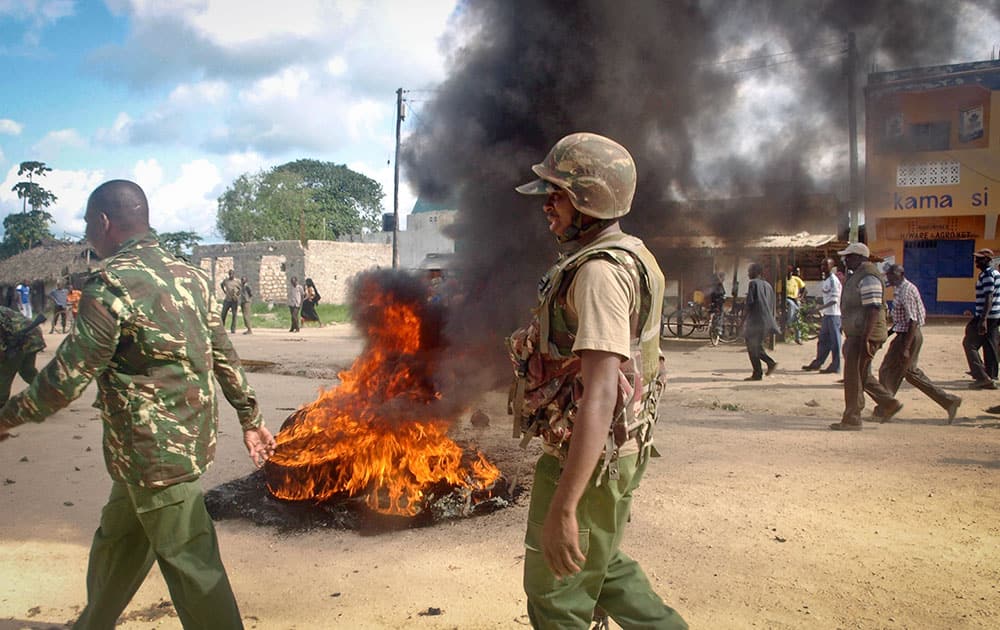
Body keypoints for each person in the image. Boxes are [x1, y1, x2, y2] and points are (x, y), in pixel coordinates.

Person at [0, 180, 276, 629]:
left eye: (89, 223)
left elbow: (66, 378)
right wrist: (250, 417)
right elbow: (222, 351)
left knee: (193, 566)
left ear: (104, 222)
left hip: (154, 454)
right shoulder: (190, 275)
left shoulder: (110, 285)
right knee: (119, 541)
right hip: (167, 446)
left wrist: (6, 417)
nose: (88, 233)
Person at [508, 133, 687, 629]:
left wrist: (565, 504)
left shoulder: (599, 275)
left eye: (558, 194)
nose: (547, 205)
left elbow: (602, 392)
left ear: (591, 200)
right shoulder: (633, 252)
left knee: (554, 595)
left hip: (590, 459)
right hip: (618, 452)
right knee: (600, 566)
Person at [878, 264, 962, 423]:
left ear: (901, 274)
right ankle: (886, 406)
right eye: (888, 275)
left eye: (892, 275)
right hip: (903, 334)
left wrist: (906, 348)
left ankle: (886, 407)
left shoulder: (907, 290)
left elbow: (913, 320)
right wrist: (888, 334)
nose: (889, 278)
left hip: (909, 337)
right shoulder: (898, 289)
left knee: (896, 371)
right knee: (898, 371)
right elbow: (901, 320)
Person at [830, 242, 900, 431]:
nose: (846, 260)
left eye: (849, 256)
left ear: (860, 257)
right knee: (862, 374)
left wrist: (865, 339)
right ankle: (889, 403)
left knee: (853, 375)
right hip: (859, 333)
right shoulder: (859, 275)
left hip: (864, 335)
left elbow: (873, 309)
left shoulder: (868, 276)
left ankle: (852, 418)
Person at [962, 248, 1000, 389]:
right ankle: (990, 375)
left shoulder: (987, 275)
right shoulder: (994, 273)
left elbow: (989, 298)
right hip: (993, 315)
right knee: (990, 345)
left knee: (969, 344)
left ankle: (981, 376)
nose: (976, 261)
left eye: (980, 259)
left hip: (987, 316)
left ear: (988, 260)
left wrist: (982, 319)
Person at [802, 258, 842, 374]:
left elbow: (834, 300)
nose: (823, 267)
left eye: (825, 265)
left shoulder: (834, 280)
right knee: (823, 340)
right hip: (827, 314)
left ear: (831, 266)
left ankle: (836, 366)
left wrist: (818, 309)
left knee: (835, 342)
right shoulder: (826, 280)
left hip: (834, 314)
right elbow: (826, 297)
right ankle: (817, 363)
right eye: (822, 265)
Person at [0, 305, 45, 406]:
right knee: (27, 370)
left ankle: (1, 402)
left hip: (24, 339)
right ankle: (48, 393)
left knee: (5, 372)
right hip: (33, 336)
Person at [743, 262, 780, 381]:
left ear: (756, 272)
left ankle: (766, 366)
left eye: (750, 271)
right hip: (767, 321)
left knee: (752, 346)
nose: (748, 273)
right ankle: (760, 371)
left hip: (756, 321)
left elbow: (750, 303)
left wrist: (742, 319)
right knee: (757, 345)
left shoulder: (753, 284)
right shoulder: (768, 285)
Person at [783, 266, 806, 344]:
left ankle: (798, 338)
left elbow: (804, 288)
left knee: (798, 318)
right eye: (788, 272)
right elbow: (779, 292)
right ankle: (789, 324)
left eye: (790, 272)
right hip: (787, 299)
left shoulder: (796, 279)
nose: (789, 274)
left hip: (795, 299)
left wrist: (800, 297)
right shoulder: (783, 281)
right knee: (791, 305)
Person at [220, 269, 241, 334]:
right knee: (223, 314)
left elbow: (241, 289)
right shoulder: (226, 281)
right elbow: (222, 285)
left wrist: (237, 294)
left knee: (234, 315)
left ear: (234, 274)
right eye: (230, 274)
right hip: (227, 300)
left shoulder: (237, 282)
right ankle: (222, 328)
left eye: (232, 274)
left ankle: (233, 329)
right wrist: (224, 291)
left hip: (234, 300)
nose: (231, 275)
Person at [707, 272, 726, 337]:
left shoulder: (712, 284)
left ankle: (713, 328)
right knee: (721, 314)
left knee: (713, 313)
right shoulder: (719, 285)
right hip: (719, 302)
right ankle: (719, 329)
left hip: (713, 302)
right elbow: (722, 293)